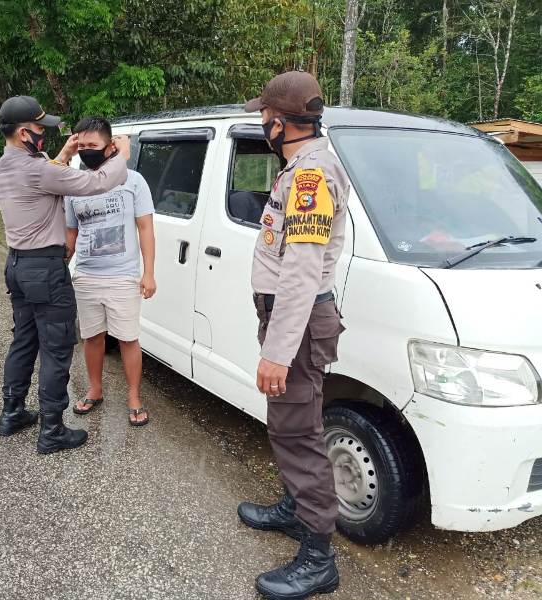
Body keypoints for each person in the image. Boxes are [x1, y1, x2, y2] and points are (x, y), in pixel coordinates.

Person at [236, 72, 349, 599]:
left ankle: (318, 557)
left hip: (297, 325)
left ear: (280, 122)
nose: (262, 123)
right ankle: (293, 508)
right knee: (288, 423)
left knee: (299, 433)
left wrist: (277, 353)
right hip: (290, 319)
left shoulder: (309, 178)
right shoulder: (301, 168)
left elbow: (302, 272)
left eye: (264, 116)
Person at [0, 95, 129, 454]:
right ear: (23, 133)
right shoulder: (38, 169)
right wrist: (121, 156)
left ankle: (12, 412)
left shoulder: (0, 169)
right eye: (39, 129)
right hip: (45, 268)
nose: (44, 135)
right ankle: (52, 429)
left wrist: (64, 156)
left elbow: (45, 177)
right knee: (57, 346)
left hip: (18, 265)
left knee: (24, 340)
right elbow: (95, 183)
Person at [64, 116, 156, 426]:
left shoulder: (133, 180)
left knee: (128, 338)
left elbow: (145, 228)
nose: (87, 151)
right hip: (87, 275)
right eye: (83, 146)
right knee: (92, 337)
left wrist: (149, 273)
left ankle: (133, 397)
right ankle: (95, 389)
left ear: (110, 147)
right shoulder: (74, 185)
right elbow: (70, 235)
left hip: (122, 275)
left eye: (94, 146)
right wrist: (59, 267)